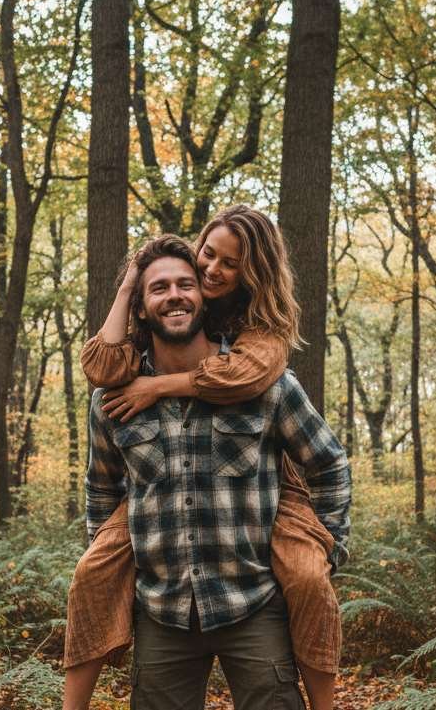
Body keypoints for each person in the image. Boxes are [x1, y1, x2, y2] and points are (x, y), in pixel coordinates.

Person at [63, 207, 348, 710]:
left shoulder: (263, 380)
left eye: (186, 284)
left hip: (254, 605)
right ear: (143, 307)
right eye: (159, 288)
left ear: (202, 294)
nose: (176, 294)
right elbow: (102, 487)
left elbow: (327, 463)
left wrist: (325, 548)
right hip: (163, 613)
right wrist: (118, 568)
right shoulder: (114, 399)